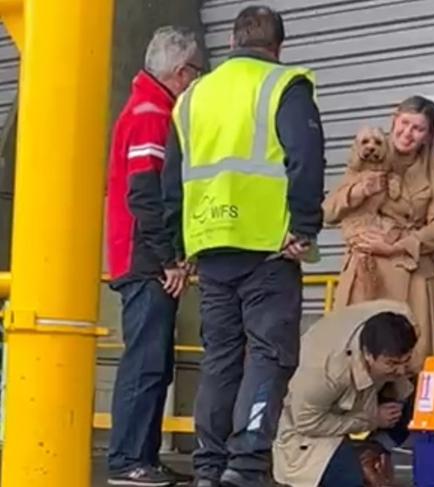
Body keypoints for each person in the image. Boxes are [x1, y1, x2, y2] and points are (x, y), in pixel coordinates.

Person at [161, 5, 326, 487]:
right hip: (268, 247)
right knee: (269, 354)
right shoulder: (284, 86)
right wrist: (306, 227)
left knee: (221, 357)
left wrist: (178, 246)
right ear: (277, 47)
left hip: (210, 246)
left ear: (231, 42)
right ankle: (246, 463)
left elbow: (171, 179)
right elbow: (306, 158)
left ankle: (209, 466)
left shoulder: (191, 98)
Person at [105, 26, 203, 487]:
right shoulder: (152, 114)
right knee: (145, 364)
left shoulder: (144, 107)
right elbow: (145, 193)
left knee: (154, 364)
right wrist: (169, 259)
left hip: (140, 257)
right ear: (181, 72)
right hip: (145, 262)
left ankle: (139, 456)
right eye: (194, 74)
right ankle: (128, 459)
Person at [323, 95, 434, 369]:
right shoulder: (368, 153)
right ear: (394, 119)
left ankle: (406, 409)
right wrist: (358, 191)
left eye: (417, 129)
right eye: (404, 123)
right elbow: (329, 212)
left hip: (412, 272)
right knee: (356, 358)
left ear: (428, 136)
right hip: (365, 272)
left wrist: (399, 245)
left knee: (412, 361)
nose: (407, 133)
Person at [273, 300, 418, 487]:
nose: (400, 370)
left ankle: (370, 453)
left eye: (405, 360)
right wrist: (371, 419)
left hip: (361, 391)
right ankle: (358, 465)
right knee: (348, 479)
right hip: (307, 428)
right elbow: (307, 423)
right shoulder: (322, 374)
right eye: (392, 363)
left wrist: (402, 374)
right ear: (367, 354)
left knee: (420, 400)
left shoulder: (403, 319)